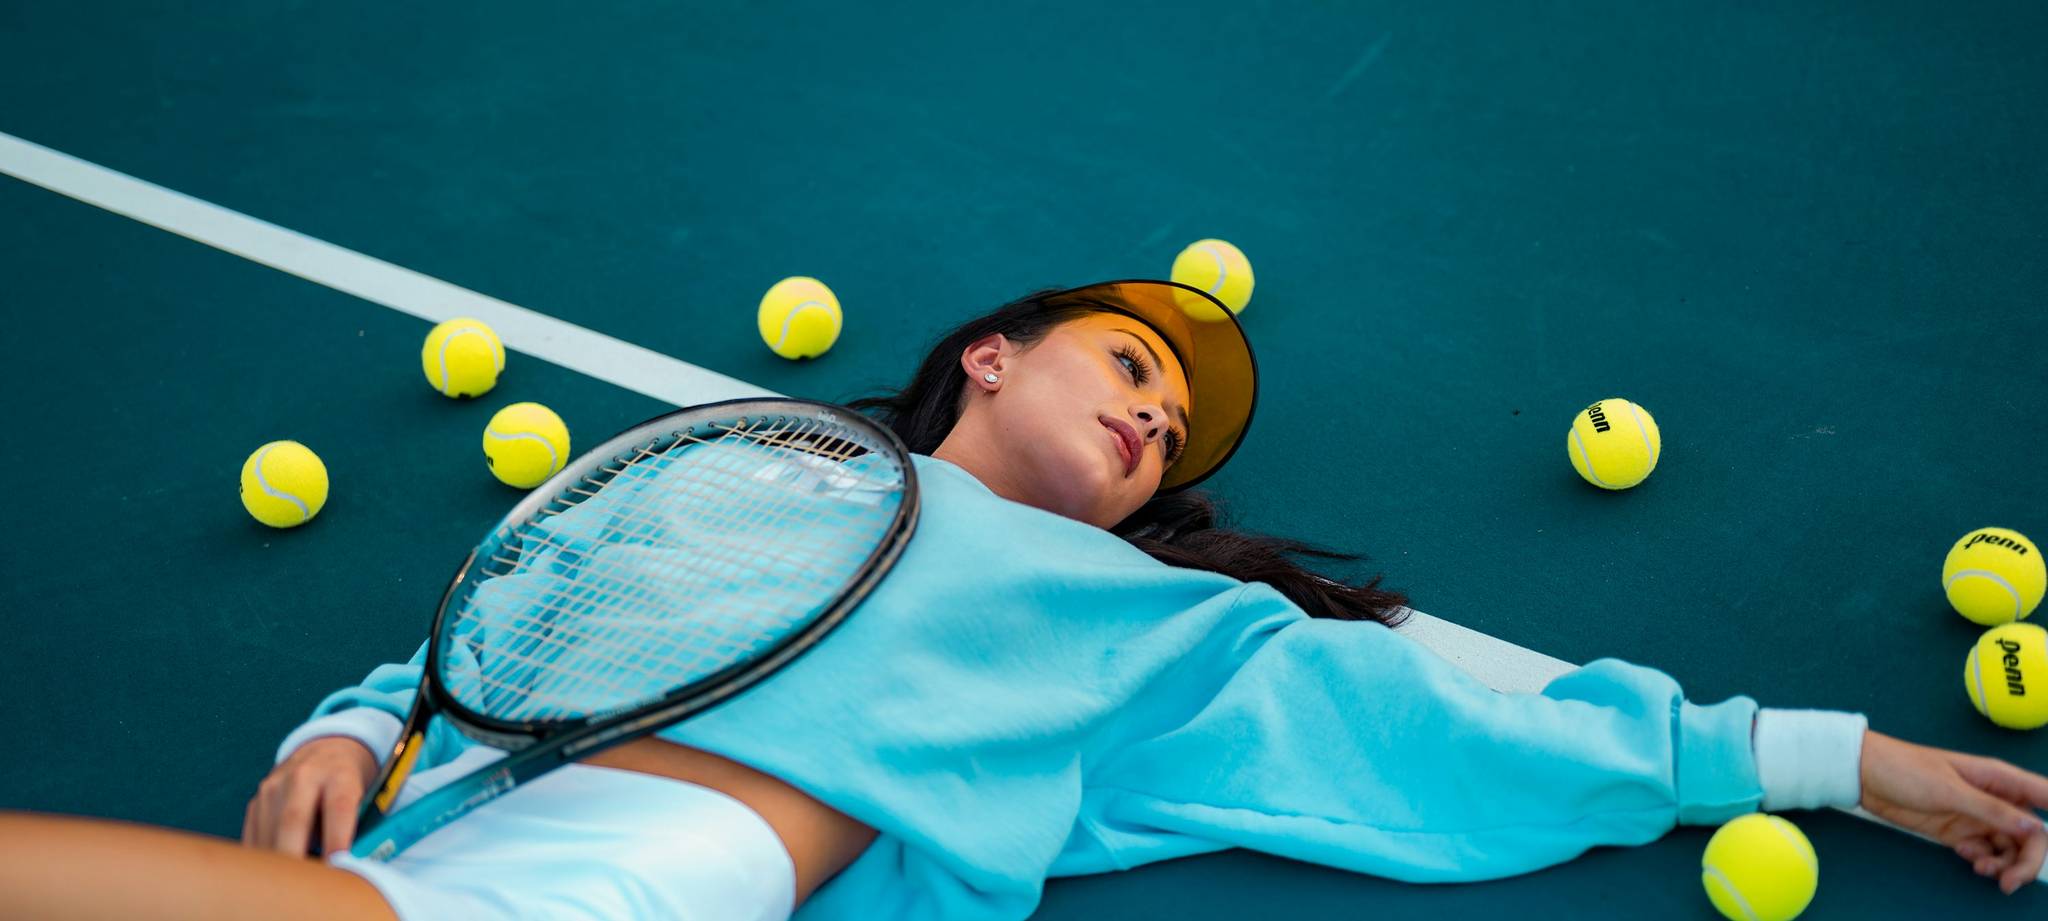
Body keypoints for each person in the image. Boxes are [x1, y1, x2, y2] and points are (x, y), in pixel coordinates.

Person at [2, 280, 2043, 921]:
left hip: (681, 855)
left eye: (1175, 424)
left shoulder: (1134, 613)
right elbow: (534, 596)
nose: (1155, 412)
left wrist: (1822, 756)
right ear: (989, 354)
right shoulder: (774, 462)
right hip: (474, 811)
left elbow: (1434, 729)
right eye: (1129, 362)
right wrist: (357, 716)